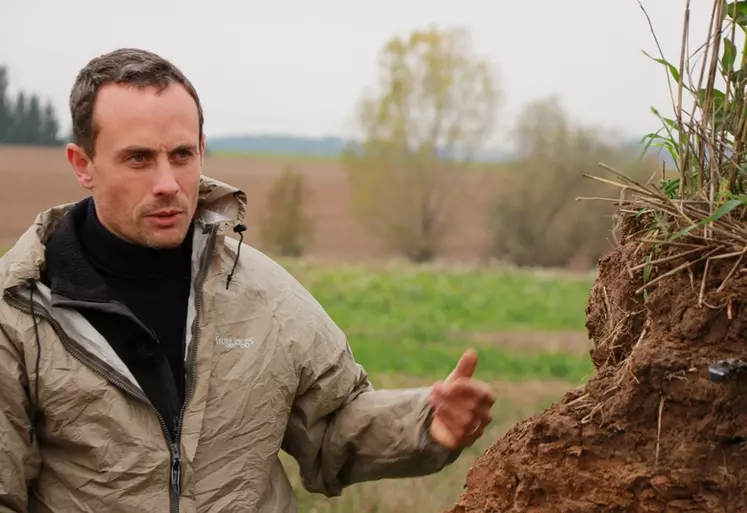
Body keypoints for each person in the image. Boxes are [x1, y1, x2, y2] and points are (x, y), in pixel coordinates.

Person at [0, 48, 496, 513]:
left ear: (201, 149)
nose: (168, 183)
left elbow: (333, 426)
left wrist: (428, 423)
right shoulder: (18, 310)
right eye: (138, 159)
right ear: (82, 164)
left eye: (181, 155)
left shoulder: (261, 292)